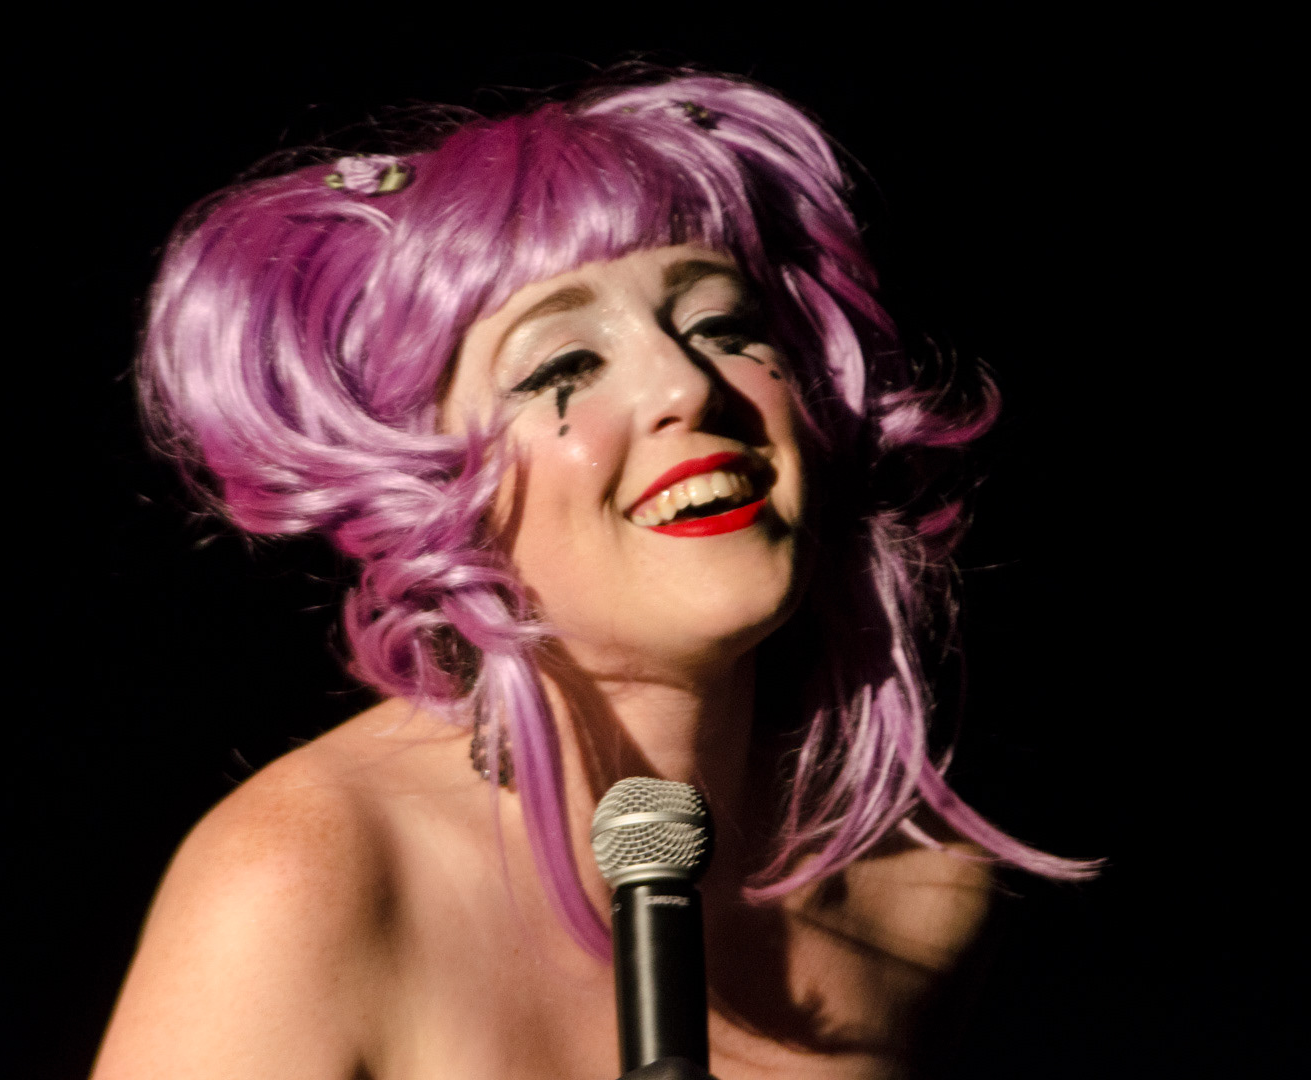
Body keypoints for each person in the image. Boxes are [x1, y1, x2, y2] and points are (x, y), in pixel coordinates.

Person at [91, 69, 1096, 1080]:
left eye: (723, 327)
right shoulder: (305, 880)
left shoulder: (916, 899)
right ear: (429, 488)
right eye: (560, 367)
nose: (685, 387)